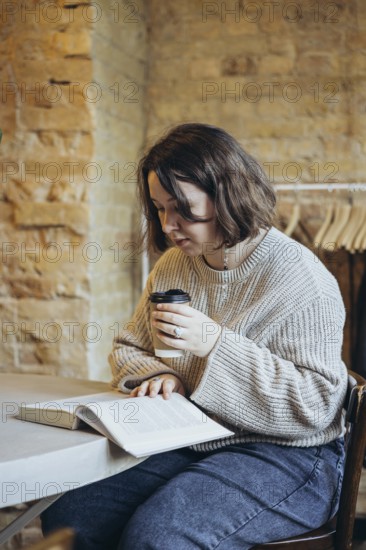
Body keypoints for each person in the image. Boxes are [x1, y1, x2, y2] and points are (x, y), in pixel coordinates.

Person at [42, 123, 348, 549]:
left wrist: (215, 344)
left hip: (291, 455)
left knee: (161, 535)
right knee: (70, 513)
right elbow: (130, 348)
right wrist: (160, 375)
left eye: (182, 208)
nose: (169, 225)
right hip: (194, 438)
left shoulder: (300, 278)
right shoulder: (173, 266)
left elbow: (316, 404)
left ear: (227, 195)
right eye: (159, 208)